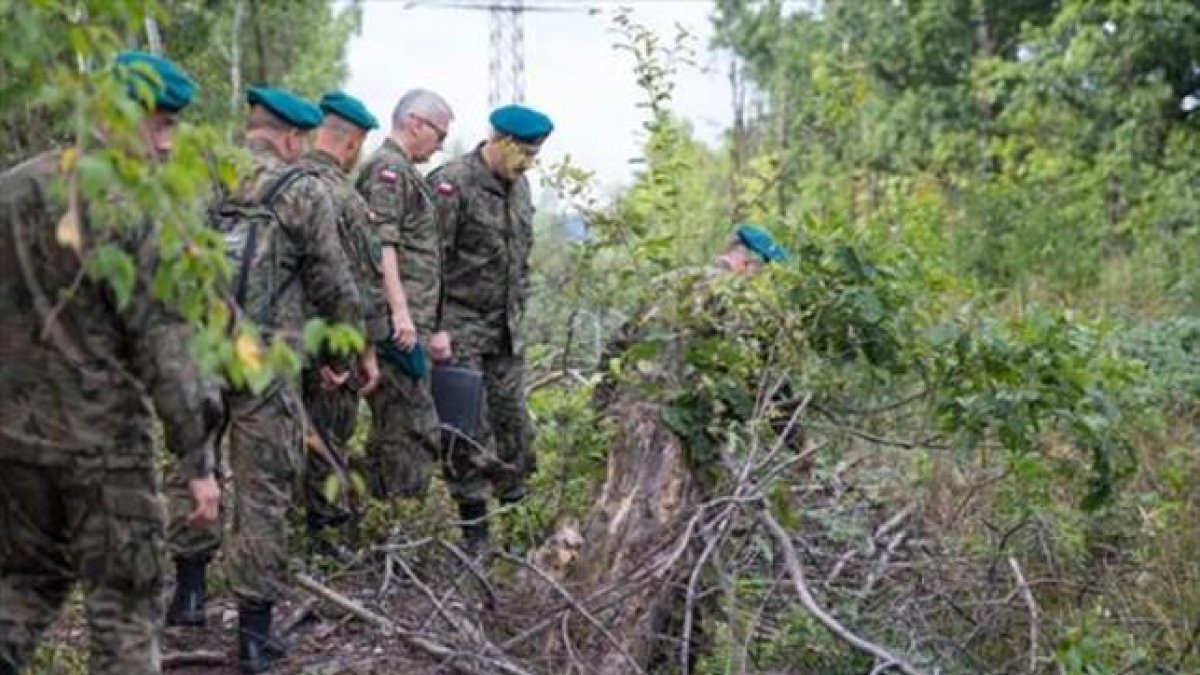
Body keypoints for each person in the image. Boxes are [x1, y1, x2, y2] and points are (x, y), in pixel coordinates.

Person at [0, 51, 222, 675]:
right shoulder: (132, 207)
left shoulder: (12, 187)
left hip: (13, 440)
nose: (165, 142)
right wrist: (197, 460)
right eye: (158, 125)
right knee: (124, 606)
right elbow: (166, 344)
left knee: (21, 585)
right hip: (104, 447)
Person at [163, 86, 361, 674]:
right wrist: (340, 353)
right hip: (267, 362)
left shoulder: (200, 175)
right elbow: (333, 283)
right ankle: (253, 636)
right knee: (263, 491)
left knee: (190, 466)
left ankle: (189, 596)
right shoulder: (303, 190)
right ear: (293, 137)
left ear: (251, 127)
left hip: (199, 349)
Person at [427, 104, 553, 552]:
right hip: (458, 328)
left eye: (533, 157)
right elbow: (428, 262)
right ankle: (475, 538)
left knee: (513, 425)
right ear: (497, 141)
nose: (526, 164)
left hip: (505, 331)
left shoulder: (521, 189)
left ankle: (519, 536)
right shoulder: (452, 183)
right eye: (521, 154)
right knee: (465, 434)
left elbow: (519, 263)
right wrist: (434, 327)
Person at [355, 89, 454, 503]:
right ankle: (394, 522)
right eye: (440, 134)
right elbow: (383, 246)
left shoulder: (405, 173)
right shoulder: (386, 170)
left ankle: (375, 522)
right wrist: (401, 314)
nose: (440, 146)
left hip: (410, 326)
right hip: (397, 329)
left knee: (397, 431)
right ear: (416, 123)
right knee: (413, 430)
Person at [299, 91, 387, 553]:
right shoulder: (343, 198)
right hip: (329, 341)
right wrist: (360, 353)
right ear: (352, 143)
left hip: (276, 339)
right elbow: (358, 286)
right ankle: (325, 539)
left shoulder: (283, 183)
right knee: (329, 437)